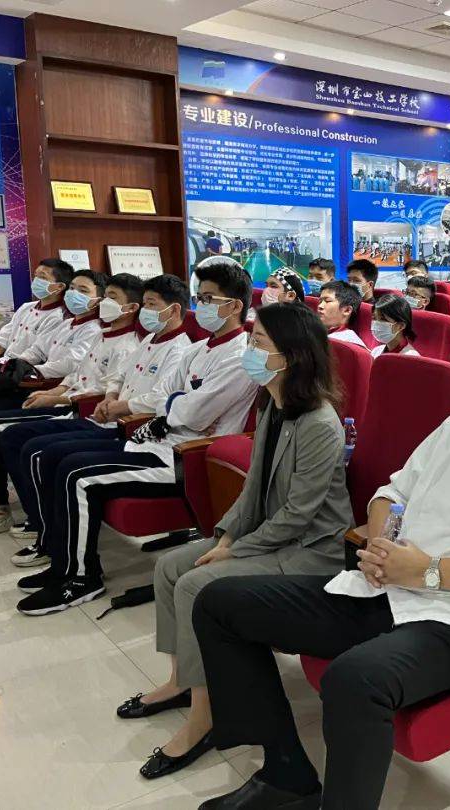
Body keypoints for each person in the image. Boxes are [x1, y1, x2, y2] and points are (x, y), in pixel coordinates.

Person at [190, 321, 450, 810]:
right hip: (383, 585)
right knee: (219, 603)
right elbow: (391, 493)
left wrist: (428, 570)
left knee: (354, 680)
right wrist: (380, 544)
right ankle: (285, 773)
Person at [119, 303, 353, 781]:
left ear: (291, 354)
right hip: (269, 536)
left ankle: (205, 716)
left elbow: (298, 516)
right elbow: (253, 490)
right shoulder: (272, 404)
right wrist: (225, 535)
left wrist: (233, 551)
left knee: (196, 583)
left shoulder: (319, 423)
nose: (250, 350)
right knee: (170, 567)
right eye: (251, 340)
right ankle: (182, 680)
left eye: (259, 342)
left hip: (310, 551)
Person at [16, 259, 259, 614]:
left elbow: (194, 414)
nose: (201, 306)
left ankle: (81, 579)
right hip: (156, 440)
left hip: (184, 457)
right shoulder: (198, 349)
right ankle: (63, 564)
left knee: (78, 476)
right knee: (66, 462)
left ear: (235, 306)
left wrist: (177, 403)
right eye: (200, 297)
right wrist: (178, 402)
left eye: (209, 299)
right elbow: (165, 397)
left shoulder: (238, 357)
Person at [3, 274, 193, 566]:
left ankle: (60, 550)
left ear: (175, 309)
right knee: (33, 446)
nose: (145, 311)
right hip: (112, 416)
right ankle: (49, 535)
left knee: (50, 456)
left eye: (151, 305)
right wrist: (111, 397)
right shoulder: (150, 339)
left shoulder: (180, 349)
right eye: (144, 304)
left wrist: (118, 406)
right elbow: (118, 375)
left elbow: (161, 398)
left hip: (132, 427)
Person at [0, 274, 142, 540]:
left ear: (130, 307)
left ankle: (3, 510)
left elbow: (102, 390)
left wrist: (53, 395)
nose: (74, 294)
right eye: (73, 288)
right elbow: (74, 374)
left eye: (85, 291)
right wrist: (42, 385)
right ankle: (12, 506)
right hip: (60, 394)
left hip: (83, 408)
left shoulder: (122, 342)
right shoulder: (100, 334)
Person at [0, 258, 74, 381]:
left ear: (59, 287)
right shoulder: (26, 307)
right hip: (0, 368)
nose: (36, 281)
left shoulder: (60, 318)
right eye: (36, 276)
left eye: (42, 277)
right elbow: (0, 343)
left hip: (19, 376)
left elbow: (35, 355)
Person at [317, 280, 366, 348]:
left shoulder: (349, 344)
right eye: (320, 301)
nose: (320, 306)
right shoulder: (315, 333)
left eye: (328, 301)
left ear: (347, 310)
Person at [369, 294, 419, 358]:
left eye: (383, 319)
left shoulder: (411, 358)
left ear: (401, 326)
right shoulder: (376, 351)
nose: (376, 323)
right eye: (374, 318)